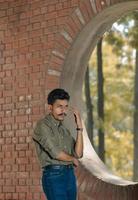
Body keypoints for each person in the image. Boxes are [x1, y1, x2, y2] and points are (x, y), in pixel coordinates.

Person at [33, 88, 83, 200]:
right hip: (54, 176)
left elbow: (78, 153)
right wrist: (73, 159)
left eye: (66, 107)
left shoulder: (64, 130)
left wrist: (79, 127)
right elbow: (56, 153)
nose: (63, 110)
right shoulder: (43, 126)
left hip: (70, 175)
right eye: (59, 106)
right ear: (50, 107)